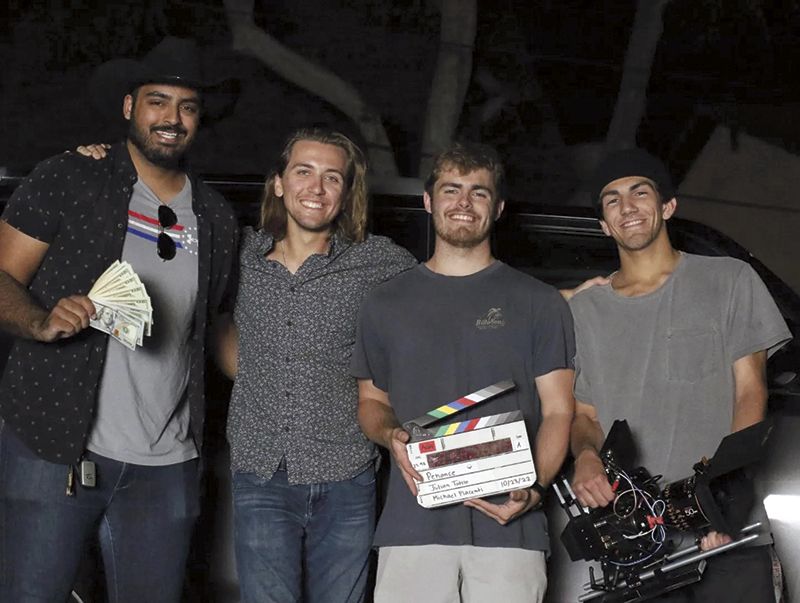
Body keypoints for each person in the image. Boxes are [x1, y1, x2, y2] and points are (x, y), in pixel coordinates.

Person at [0, 37, 238, 602]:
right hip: (54, 446)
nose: (171, 119)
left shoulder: (217, 217)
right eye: (157, 101)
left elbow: (217, 330)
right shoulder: (70, 177)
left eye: (186, 107)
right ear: (129, 106)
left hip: (168, 465)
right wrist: (38, 321)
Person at [352, 142, 576, 603]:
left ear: (498, 208)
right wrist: (391, 435)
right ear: (429, 201)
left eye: (479, 192)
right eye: (451, 189)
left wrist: (535, 489)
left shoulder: (538, 301)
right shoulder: (384, 302)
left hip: (510, 528)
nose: (463, 202)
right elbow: (372, 403)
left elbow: (558, 411)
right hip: (412, 526)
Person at [567, 148, 791, 602]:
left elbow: (750, 393)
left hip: (725, 530)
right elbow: (584, 415)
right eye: (612, 200)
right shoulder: (584, 312)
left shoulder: (729, 280)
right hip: (638, 544)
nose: (626, 207)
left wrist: (722, 502)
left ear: (667, 206)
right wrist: (586, 456)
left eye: (639, 192)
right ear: (603, 225)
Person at [215, 127, 417, 603]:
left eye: (333, 177)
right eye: (303, 171)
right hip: (260, 474)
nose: (317, 187)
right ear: (279, 183)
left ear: (346, 194)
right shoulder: (237, 253)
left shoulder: (379, 261)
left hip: (347, 476)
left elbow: (455, 290)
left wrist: (562, 297)